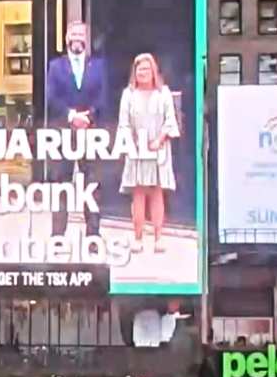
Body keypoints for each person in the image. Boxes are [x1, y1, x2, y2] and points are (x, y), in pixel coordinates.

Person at [45, 20, 109, 237]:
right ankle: (57, 234)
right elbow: (51, 97)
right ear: (67, 39)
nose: (77, 39)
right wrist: (71, 116)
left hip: (91, 132)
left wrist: (88, 117)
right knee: (61, 184)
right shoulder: (56, 66)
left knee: (92, 183)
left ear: (86, 40)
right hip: (63, 131)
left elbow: (103, 97)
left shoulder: (98, 66)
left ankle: (93, 233)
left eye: (81, 36)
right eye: (74, 35)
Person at [117, 52, 180, 253]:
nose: (142, 73)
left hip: (158, 148)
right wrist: (132, 142)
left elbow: (171, 121)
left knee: (157, 193)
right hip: (136, 150)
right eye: (139, 69)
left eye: (146, 68)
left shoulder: (164, 93)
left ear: (153, 71)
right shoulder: (128, 94)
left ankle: (158, 238)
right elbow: (123, 123)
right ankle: (137, 238)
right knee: (138, 194)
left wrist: (159, 139)